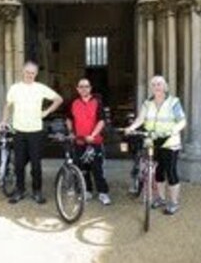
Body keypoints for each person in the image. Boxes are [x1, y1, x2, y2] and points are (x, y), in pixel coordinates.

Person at [0, 61, 63, 204]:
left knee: (36, 164)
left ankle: (37, 191)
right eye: (27, 72)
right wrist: (3, 121)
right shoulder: (15, 88)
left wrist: (46, 112)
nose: (30, 75)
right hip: (19, 131)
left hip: (35, 132)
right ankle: (19, 190)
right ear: (23, 71)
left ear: (36, 74)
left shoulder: (40, 88)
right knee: (19, 164)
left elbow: (58, 99)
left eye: (33, 73)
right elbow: (7, 105)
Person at [125, 75, 186, 215]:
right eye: (153, 84)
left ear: (165, 86)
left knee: (171, 172)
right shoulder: (148, 103)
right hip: (152, 140)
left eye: (159, 84)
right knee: (158, 172)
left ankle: (174, 202)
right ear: (151, 88)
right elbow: (141, 118)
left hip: (170, 141)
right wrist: (132, 127)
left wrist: (173, 130)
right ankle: (161, 198)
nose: (156, 87)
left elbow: (182, 121)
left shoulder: (173, 102)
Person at [66, 78, 111, 205]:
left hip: (94, 141)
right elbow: (69, 118)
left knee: (97, 169)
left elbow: (101, 121)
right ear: (77, 89)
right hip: (79, 141)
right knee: (82, 168)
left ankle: (103, 193)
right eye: (81, 86)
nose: (83, 89)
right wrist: (70, 132)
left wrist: (93, 135)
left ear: (90, 88)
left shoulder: (97, 102)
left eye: (86, 86)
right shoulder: (74, 103)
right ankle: (87, 191)